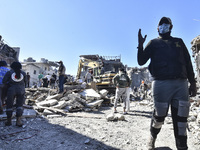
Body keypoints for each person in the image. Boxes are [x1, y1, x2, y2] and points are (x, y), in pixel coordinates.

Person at [137, 17, 196, 150]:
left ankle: (182, 147)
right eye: (161, 24)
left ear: (171, 27)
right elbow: (141, 61)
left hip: (180, 84)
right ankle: (152, 138)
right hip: (161, 84)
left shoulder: (179, 42)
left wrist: (192, 83)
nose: (164, 25)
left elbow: (188, 63)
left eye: (166, 24)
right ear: (157, 28)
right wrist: (140, 45)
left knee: (181, 120)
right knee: (159, 116)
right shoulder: (153, 43)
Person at [3, 62, 27, 127]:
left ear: (12, 66)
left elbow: (4, 81)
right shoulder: (23, 73)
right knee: (19, 105)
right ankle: (18, 121)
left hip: (11, 90)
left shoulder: (9, 72)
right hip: (21, 90)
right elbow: (26, 82)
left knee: (9, 105)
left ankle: (9, 121)